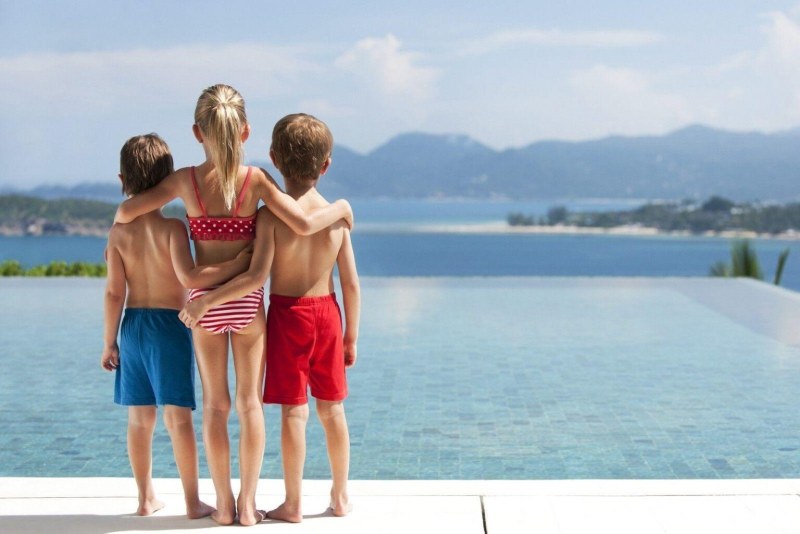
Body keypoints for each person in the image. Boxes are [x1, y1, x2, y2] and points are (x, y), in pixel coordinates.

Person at [113, 85, 352, 526]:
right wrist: (339, 207)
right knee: (249, 405)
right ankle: (247, 506)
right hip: (245, 302)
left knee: (215, 407)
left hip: (202, 304)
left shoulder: (185, 180)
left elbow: (127, 213)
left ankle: (221, 505)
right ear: (244, 132)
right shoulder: (256, 180)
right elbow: (301, 222)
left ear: (197, 132)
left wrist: (126, 216)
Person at [180, 113, 360, 522]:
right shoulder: (338, 219)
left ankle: (293, 503)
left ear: (274, 160)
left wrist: (206, 299)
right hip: (329, 314)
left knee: (294, 411)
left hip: (287, 315)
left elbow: (257, 275)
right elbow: (350, 284)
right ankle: (340, 494)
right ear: (326, 164)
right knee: (333, 410)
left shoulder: (269, 218)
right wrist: (352, 335)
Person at [101, 133, 252, 519]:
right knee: (179, 417)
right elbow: (189, 278)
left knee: (139, 418)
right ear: (168, 183)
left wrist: (109, 343)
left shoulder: (117, 233)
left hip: (132, 326)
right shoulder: (171, 230)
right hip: (169, 327)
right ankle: (191, 500)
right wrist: (240, 265)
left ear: (122, 181)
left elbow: (114, 293)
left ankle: (145, 498)